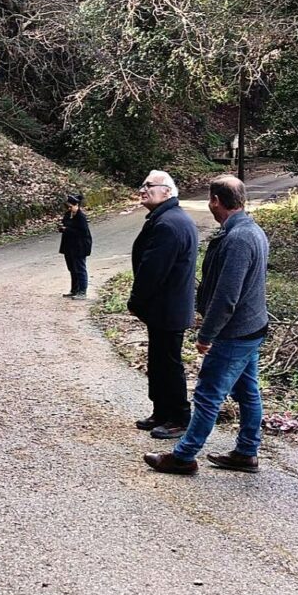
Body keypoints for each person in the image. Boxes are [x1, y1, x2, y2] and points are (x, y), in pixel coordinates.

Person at [143, 175, 269, 475]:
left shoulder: (238, 239)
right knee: (247, 392)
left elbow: (227, 297)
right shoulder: (251, 230)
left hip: (235, 332)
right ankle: (246, 452)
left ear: (215, 201)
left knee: (208, 395)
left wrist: (206, 335)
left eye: (209, 200)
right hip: (252, 327)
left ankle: (183, 457)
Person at [129, 170, 199, 438]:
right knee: (159, 361)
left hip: (169, 307)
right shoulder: (168, 218)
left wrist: (136, 301)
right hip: (165, 306)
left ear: (167, 191)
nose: (143, 190)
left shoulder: (169, 223)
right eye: (142, 185)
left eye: (149, 186)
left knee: (169, 363)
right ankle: (161, 411)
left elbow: (152, 270)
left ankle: (179, 418)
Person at [58, 193, 92, 299]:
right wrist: (62, 228)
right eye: (67, 207)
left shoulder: (81, 217)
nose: (69, 209)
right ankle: (74, 290)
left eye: (71, 206)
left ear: (77, 205)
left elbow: (83, 232)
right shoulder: (67, 215)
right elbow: (65, 225)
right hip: (69, 246)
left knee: (80, 269)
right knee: (72, 269)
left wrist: (67, 229)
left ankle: (82, 292)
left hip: (79, 246)